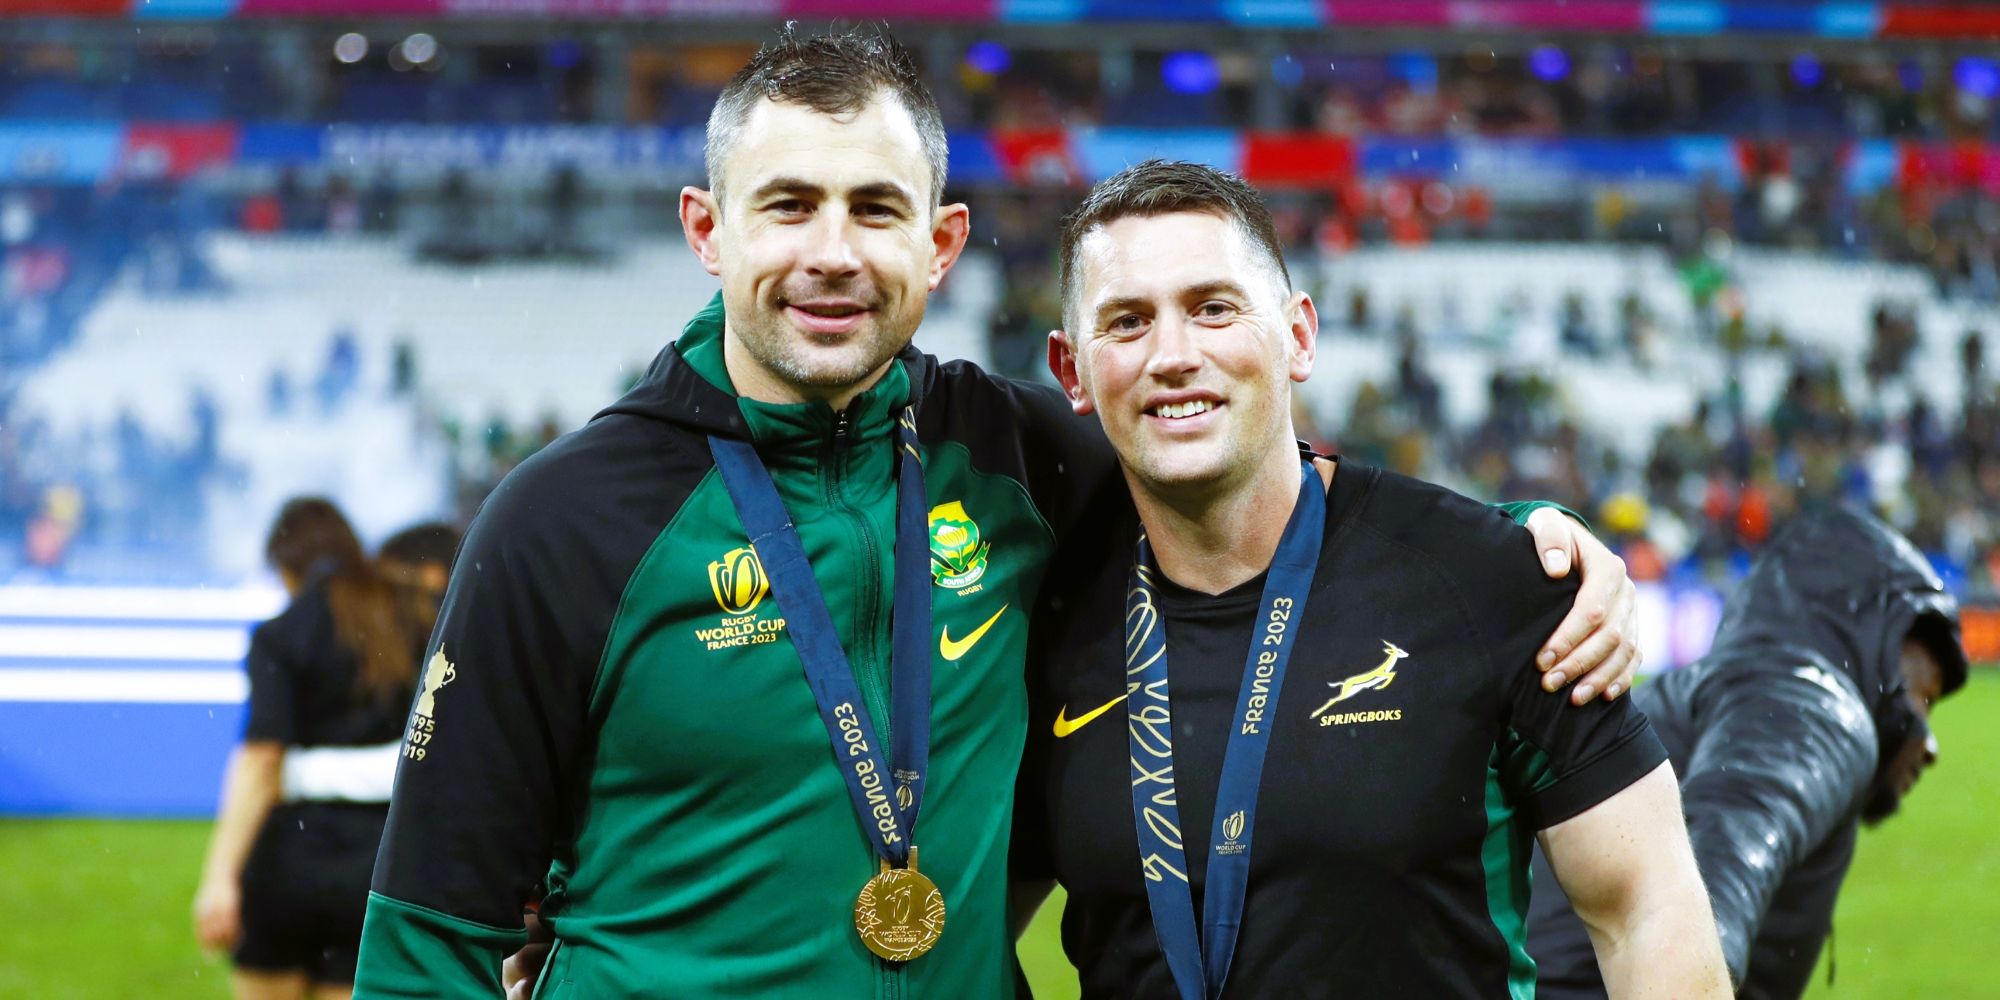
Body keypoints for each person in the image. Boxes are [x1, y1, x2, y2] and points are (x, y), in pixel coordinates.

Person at [357, 29, 1641, 999]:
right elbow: (429, 937)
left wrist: (1525, 539)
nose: (831, 253)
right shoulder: (562, 522)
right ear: (707, 229)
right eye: (786, 205)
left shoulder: (1024, 458)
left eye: (875, 209)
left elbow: (1259, 489)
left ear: (942, 242)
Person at [1016, 160, 1730, 996]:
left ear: (1298, 337)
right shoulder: (1042, 631)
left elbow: (1645, 907)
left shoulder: (1490, 581)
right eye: (1128, 322)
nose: (1173, 355)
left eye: (1213, 308)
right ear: (1072, 371)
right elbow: (965, 931)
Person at [1527, 508, 1971, 999]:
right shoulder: (1812, 704)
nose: (1930, 745)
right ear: (1874, 641)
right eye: (1924, 697)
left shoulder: (1684, 692)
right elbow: (1708, 908)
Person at [195, 499, 433, 1000]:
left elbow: (262, 758)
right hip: (380, 862)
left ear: (287, 567)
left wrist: (219, 878)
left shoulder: (281, 634)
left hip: (289, 860)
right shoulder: (415, 619)